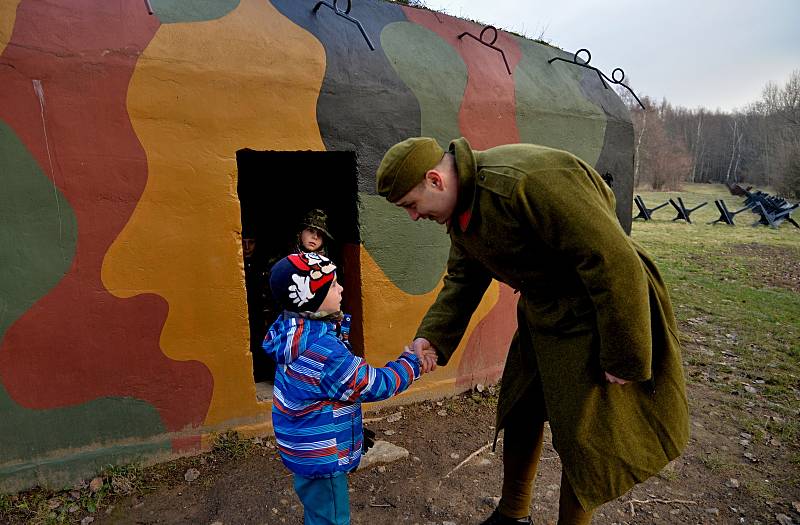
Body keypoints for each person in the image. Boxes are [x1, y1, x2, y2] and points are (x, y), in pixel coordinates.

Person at [375, 137, 689, 525]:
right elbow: (463, 280)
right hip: (544, 310)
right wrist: (432, 340)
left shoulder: (522, 182)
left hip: (599, 307)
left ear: (435, 180)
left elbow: (613, 260)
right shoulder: (463, 211)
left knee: (584, 436)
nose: (413, 216)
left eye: (410, 204)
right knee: (520, 406)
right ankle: (512, 516)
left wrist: (624, 354)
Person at [262, 251, 429, 525]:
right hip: (321, 454)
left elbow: (323, 395)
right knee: (332, 517)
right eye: (333, 284)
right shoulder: (324, 352)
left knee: (317, 511)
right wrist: (412, 363)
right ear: (310, 299)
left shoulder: (292, 330)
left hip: (304, 445)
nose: (341, 288)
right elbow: (373, 384)